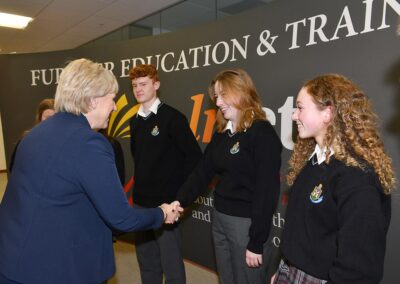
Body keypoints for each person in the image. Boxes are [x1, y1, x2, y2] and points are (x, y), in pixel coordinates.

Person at [0, 58, 182, 284]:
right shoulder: (89, 144)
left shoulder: (36, 134)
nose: (115, 107)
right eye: (112, 99)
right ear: (93, 101)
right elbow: (122, 218)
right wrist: (162, 213)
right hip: (55, 268)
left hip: (13, 257)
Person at [273, 74, 396, 284]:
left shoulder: (358, 178)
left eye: (301, 107)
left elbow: (359, 271)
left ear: (328, 113)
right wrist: (283, 269)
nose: (294, 115)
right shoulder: (314, 161)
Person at [172, 69, 282, 284]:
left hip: (245, 225)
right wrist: (179, 201)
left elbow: (267, 192)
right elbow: (202, 172)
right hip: (220, 218)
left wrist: (256, 242)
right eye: (216, 96)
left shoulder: (262, 133)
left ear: (241, 92)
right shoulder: (223, 134)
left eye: (223, 95)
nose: (218, 102)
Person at [128, 64, 202, 284]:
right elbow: (139, 159)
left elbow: (194, 158)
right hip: (141, 206)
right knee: (147, 263)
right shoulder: (135, 121)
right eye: (134, 85)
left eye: (143, 84)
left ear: (156, 85)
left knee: (172, 268)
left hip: (166, 207)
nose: (138, 89)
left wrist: (177, 197)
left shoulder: (173, 118)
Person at [8, 98, 55, 172]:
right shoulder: (27, 139)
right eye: (48, 117)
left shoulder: (63, 140)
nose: (51, 121)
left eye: (55, 118)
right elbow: (14, 167)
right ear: (40, 117)